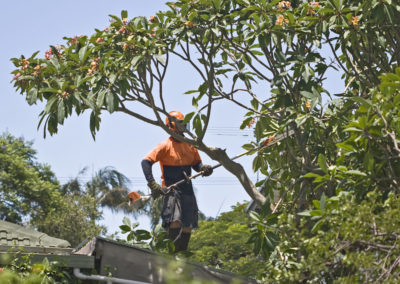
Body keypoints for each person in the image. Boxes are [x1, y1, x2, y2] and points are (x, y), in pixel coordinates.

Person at [141, 111, 213, 252]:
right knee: (174, 220)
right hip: (171, 189)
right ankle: (171, 255)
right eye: (180, 123)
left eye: (184, 123)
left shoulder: (190, 145)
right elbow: (145, 162)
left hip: (187, 188)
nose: (183, 126)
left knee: (188, 224)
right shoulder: (165, 145)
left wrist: (203, 168)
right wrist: (152, 184)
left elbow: (196, 163)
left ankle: (181, 255)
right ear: (171, 126)